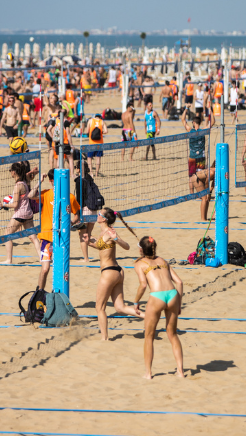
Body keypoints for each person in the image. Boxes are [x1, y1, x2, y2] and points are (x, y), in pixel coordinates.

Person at [132, 236, 184, 379]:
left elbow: (143, 285)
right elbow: (179, 282)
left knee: (149, 336)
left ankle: (148, 373)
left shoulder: (139, 263)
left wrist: (136, 302)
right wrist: (179, 303)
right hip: (172, 294)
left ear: (141, 250)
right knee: (173, 334)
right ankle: (180, 371)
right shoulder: (162, 260)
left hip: (157, 296)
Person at [89, 208, 143, 340]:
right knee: (120, 307)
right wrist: (88, 241)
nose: (97, 215)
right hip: (118, 271)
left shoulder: (109, 232)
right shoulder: (103, 232)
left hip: (109, 273)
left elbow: (127, 246)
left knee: (99, 307)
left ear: (103, 219)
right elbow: (101, 246)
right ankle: (148, 315)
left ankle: (104, 338)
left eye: (99, 214)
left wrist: (116, 239)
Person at [28, 169, 81, 290]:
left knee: (61, 269)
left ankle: (59, 293)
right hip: (47, 238)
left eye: (55, 180)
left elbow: (77, 215)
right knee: (45, 269)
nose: (53, 183)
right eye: (52, 181)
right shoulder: (46, 194)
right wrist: (39, 182)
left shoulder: (70, 197)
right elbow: (30, 196)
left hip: (62, 238)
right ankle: (40, 292)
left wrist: (69, 224)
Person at [0, 162, 40, 264]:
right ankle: (41, 257)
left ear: (14, 172)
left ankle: (9, 260)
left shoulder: (18, 186)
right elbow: (26, 176)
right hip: (28, 213)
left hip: (20, 214)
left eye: (11, 171)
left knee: (7, 235)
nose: (10, 173)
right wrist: (32, 172)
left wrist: (4, 205)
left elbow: (15, 204)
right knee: (33, 237)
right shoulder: (25, 182)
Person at [181, 113, 214, 220]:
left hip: (192, 157)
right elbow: (212, 123)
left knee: (191, 176)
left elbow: (183, 120)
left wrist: (186, 109)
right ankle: (201, 194)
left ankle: (192, 194)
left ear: (193, 122)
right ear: (199, 123)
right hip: (201, 157)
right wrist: (211, 112)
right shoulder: (202, 130)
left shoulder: (190, 130)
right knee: (201, 176)